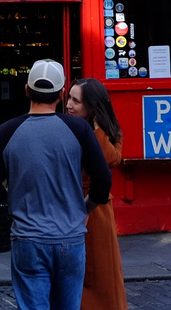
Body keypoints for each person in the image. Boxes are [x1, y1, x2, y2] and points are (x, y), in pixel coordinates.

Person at [0, 59, 112, 310]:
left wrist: (14, 204)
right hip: (70, 237)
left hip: (27, 238)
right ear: (62, 93)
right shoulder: (78, 130)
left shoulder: (5, 132)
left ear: (27, 90)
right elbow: (103, 180)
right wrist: (85, 209)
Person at [66, 79, 126, 310]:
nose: (69, 105)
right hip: (69, 201)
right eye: (69, 97)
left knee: (101, 267)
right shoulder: (66, 127)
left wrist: (97, 129)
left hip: (97, 207)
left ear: (92, 107)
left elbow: (111, 159)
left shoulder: (109, 132)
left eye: (76, 101)